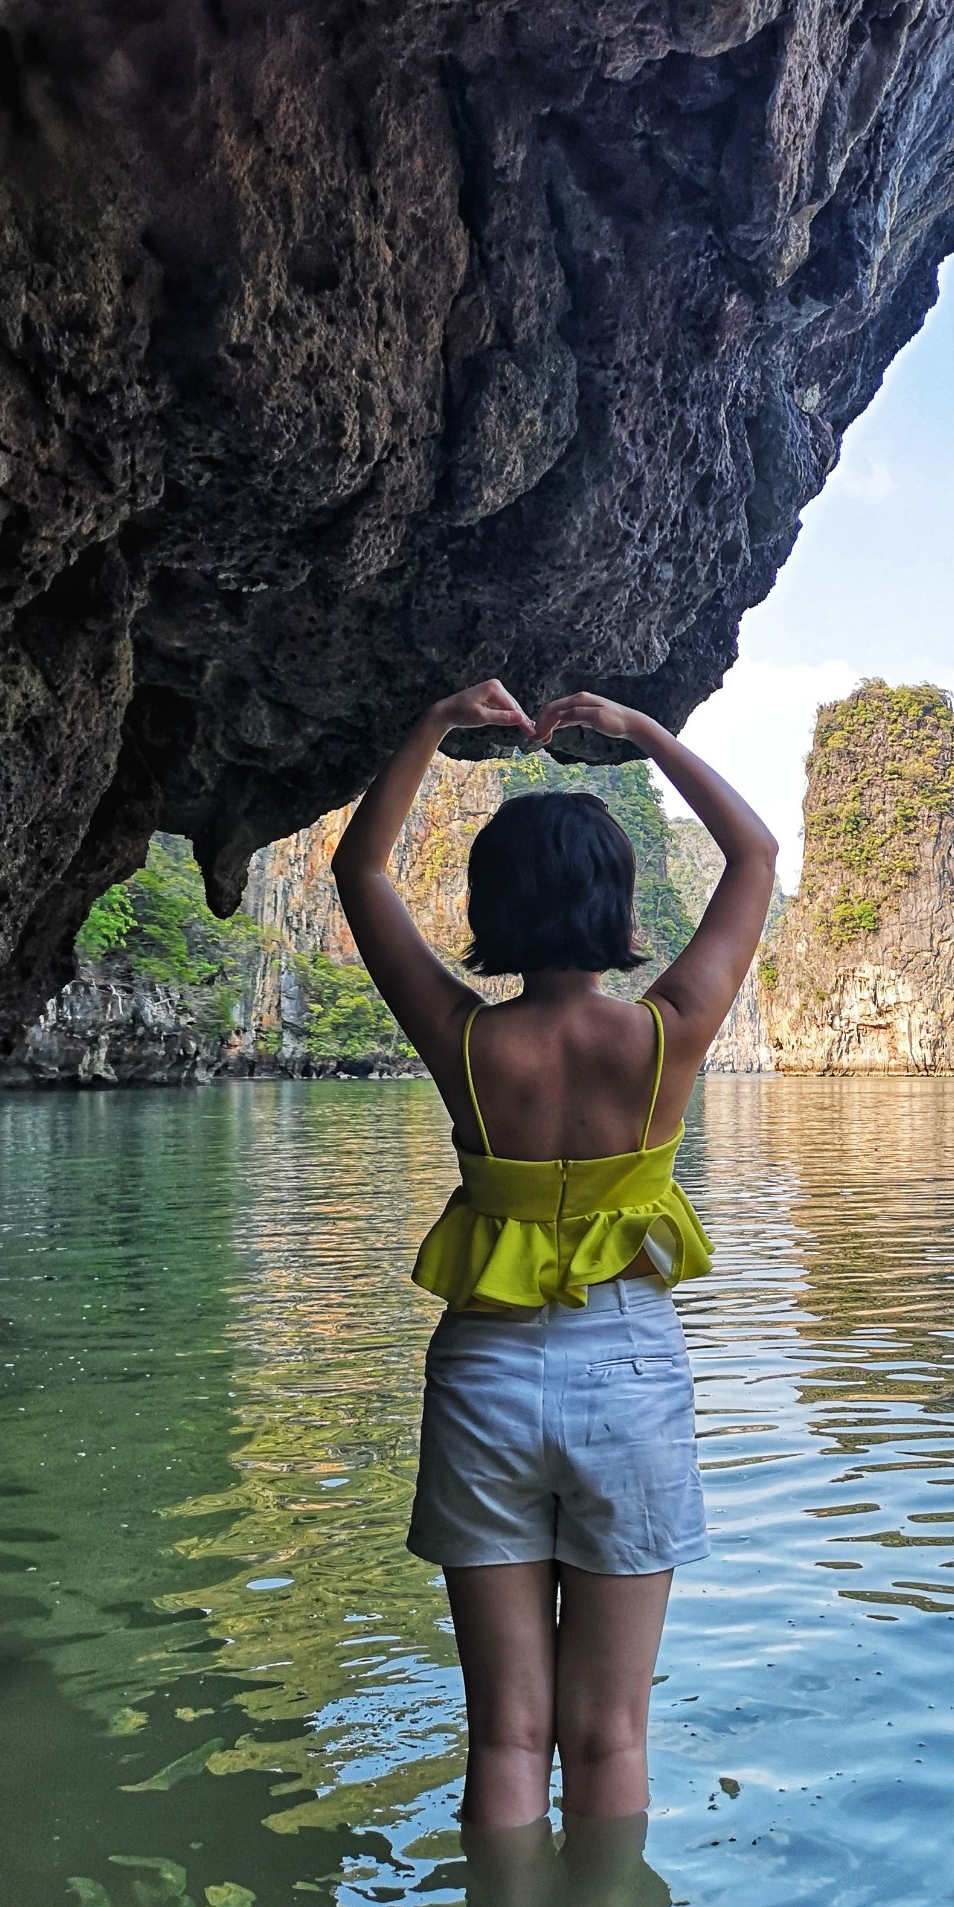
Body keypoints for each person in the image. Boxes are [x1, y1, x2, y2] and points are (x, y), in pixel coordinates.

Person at [330, 679, 777, 1834]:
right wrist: (641, 733)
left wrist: (429, 724)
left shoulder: (467, 1038)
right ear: (620, 901)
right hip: (627, 1368)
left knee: (505, 1734)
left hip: (482, 1372)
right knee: (611, 1733)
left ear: (492, 906)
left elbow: (360, 873)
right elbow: (754, 856)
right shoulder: (665, 1034)